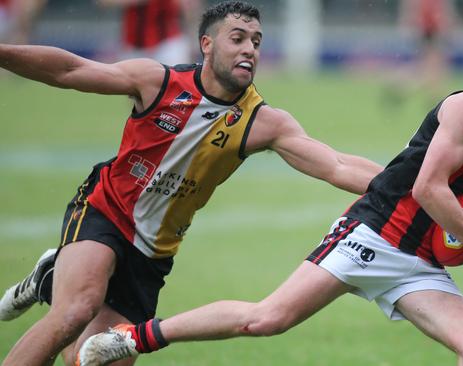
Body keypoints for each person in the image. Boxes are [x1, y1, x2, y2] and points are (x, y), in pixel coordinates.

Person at [78, 29, 463, 366]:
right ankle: (129, 338)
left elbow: (447, 224)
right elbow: (428, 187)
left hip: (418, 264)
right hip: (372, 235)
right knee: (266, 319)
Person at [0, 2, 383, 365]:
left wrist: (412, 187)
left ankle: (51, 278)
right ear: (207, 44)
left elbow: (336, 164)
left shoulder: (263, 121)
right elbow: (69, 70)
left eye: (256, 41)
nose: (249, 48)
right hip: (105, 210)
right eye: (237, 38)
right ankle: (62, 285)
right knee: (74, 311)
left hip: (153, 253)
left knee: (85, 357)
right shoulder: (158, 82)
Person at [97, 0, 203, 65]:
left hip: (168, 43)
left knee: (175, 89)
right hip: (134, 44)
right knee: (137, 94)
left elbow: (190, 9)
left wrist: (192, 41)